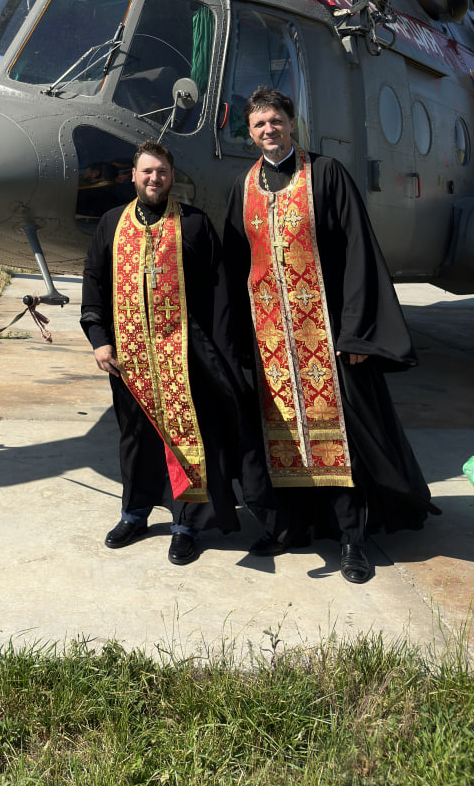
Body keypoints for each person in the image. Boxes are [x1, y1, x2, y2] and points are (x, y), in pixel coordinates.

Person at [223, 86, 439, 584]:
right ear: (250, 132)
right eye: (258, 125)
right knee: (284, 441)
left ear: (292, 123)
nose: (268, 131)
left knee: (339, 442)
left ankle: (351, 538)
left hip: (326, 337)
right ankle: (292, 528)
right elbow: (236, 264)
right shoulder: (244, 187)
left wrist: (358, 331)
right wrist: (236, 338)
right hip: (271, 343)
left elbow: (359, 252)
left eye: (275, 121)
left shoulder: (325, 174)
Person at [80, 140, 273, 565]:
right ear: (133, 175)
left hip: (185, 358)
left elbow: (220, 293)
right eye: (147, 172)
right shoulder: (111, 223)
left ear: (172, 177)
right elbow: (94, 281)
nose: (154, 179)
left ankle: (187, 525)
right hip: (128, 358)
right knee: (135, 439)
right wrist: (100, 339)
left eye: (162, 172)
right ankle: (135, 513)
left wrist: (221, 352)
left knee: (188, 439)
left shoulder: (195, 225)